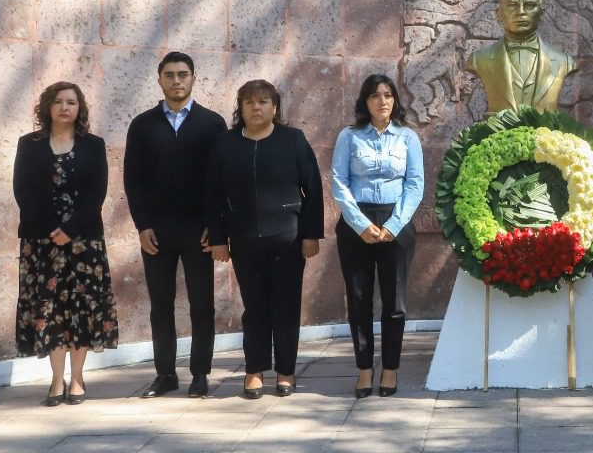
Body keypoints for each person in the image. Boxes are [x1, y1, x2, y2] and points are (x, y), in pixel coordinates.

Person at [205, 80, 325, 399]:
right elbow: (212, 195)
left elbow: (312, 191)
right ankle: (254, 370)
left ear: (275, 107)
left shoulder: (293, 141)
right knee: (254, 307)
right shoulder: (225, 145)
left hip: (287, 238)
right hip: (244, 239)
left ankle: (286, 371)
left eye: (263, 101)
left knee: (286, 307)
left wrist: (311, 234)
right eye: (249, 102)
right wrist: (218, 239)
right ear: (240, 108)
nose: (256, 107)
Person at [123, 51, 227, 399]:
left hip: (199, 231)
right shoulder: (143, 124)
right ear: (160, 80)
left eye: (183, 74)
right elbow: (132, 180)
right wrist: (142, 225)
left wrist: (216, 226)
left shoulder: (212, 123)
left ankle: (200, 373)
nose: (176, 80)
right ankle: (165, 373)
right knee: (160, 305)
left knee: (202, 305)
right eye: (169, 75)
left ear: (194, 78)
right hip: (157, 232)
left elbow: (220, 180)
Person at [12, 81, 118, 407]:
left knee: (82, 311)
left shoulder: (94, 145)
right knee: (51, 309)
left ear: (79, 108)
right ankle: (56, 381)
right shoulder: (29, 144)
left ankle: (78, 378)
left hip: (84, 241)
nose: (64, 107)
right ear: (48, 107)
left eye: (71, 102)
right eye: (58, 101)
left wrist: (70, 229)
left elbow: (96, 193)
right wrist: (51, 229)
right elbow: (23, 190)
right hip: (41, 243)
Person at [331, 74, 423, 398]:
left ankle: (391, 368)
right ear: (364, 101)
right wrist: (360, 224)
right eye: (374, 95)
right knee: (359, 299)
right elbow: (339, 183)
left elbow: (415, 184)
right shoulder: (350, 136)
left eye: (387, 95)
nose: (382, 101)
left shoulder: (408, 137)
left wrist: (393, 225)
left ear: (395, 100)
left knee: (393, 302)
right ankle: (365, 369)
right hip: (357, 222)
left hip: (396, 222)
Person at [464, 0, 578, 113]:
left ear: (541, 14)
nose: (521, 12)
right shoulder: (479, 60)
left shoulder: (563, 62)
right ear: (498, 14)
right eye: (512, 5)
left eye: (529, 5)